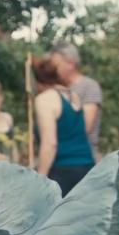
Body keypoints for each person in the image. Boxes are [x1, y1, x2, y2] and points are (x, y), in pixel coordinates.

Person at [33, 56, 94, 196]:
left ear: (37, 81)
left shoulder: (45, 99)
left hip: (62, 170)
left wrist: (40, 177)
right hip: (86, 167)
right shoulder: (73, 95)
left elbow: (50, 143)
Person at [51, 42, 103, 161]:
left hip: (82, 158)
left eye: (56, 65)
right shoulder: (54, 90)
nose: (53, 70)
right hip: (59, 156)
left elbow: (85, 127)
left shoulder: (89, 86)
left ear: (71, 63)